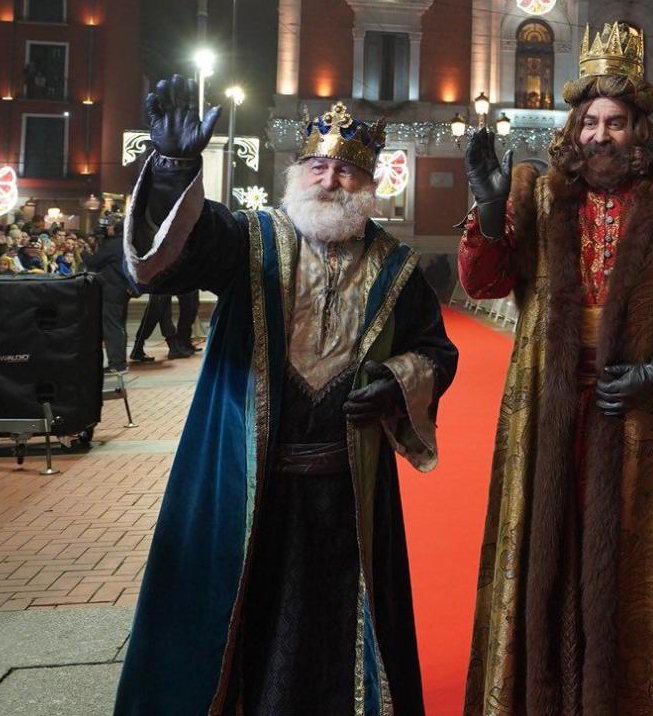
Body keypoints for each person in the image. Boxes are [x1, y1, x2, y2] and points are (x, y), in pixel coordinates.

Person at [114, 80, 458, 716]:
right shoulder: (249, 240)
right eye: (320, 166)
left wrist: (395, 381)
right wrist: (171, 168)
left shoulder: (398, 267)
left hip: (347, 489)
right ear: (297, 173)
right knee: (242, 614)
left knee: (337, 628)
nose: (332, 181)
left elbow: (437, 353)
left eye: (350, 171)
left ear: (371, 183)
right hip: (249, 482)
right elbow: (170, 261)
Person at [459, 24, 653, 716]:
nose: (600, 135)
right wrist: (490, 211)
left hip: (646, 408)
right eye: (589, 121)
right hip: (550, 405)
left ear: (639, 127)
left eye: (615, 122)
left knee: (644, 560)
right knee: (549, 552)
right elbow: (485, 281)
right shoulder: (541, 194)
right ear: (573, 126)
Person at [86, 216, 130, 373]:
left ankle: (117, 364)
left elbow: (93, 262)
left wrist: (85, 251)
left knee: (112, 327)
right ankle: (119, 362)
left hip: (111, 290)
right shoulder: (124, 243)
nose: (106, 228)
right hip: (121, 290)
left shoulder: (113, 244)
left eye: (109, 226)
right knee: (118, 326)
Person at [129, 293, 177, 363]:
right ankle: (137, 348)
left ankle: (173, 347)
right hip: (157, 287)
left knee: (165, 315)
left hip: (165, 287)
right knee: (152, 315)